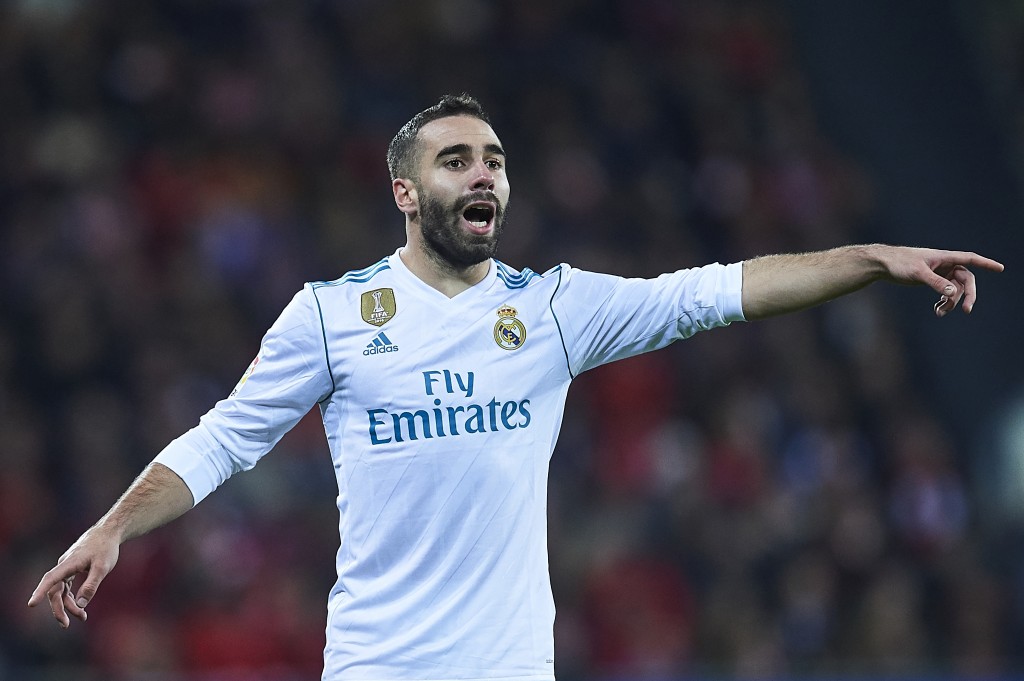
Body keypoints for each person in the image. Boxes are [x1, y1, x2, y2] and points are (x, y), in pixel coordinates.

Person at [29, 93, 1003, 680]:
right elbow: (225, 438)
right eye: (455, 160)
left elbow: (723, 292)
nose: (483, 173)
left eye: (494, 158)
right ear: (406, 192)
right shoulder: (330, 315)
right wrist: (113, 526)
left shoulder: (554, 311)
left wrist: (871, 257)